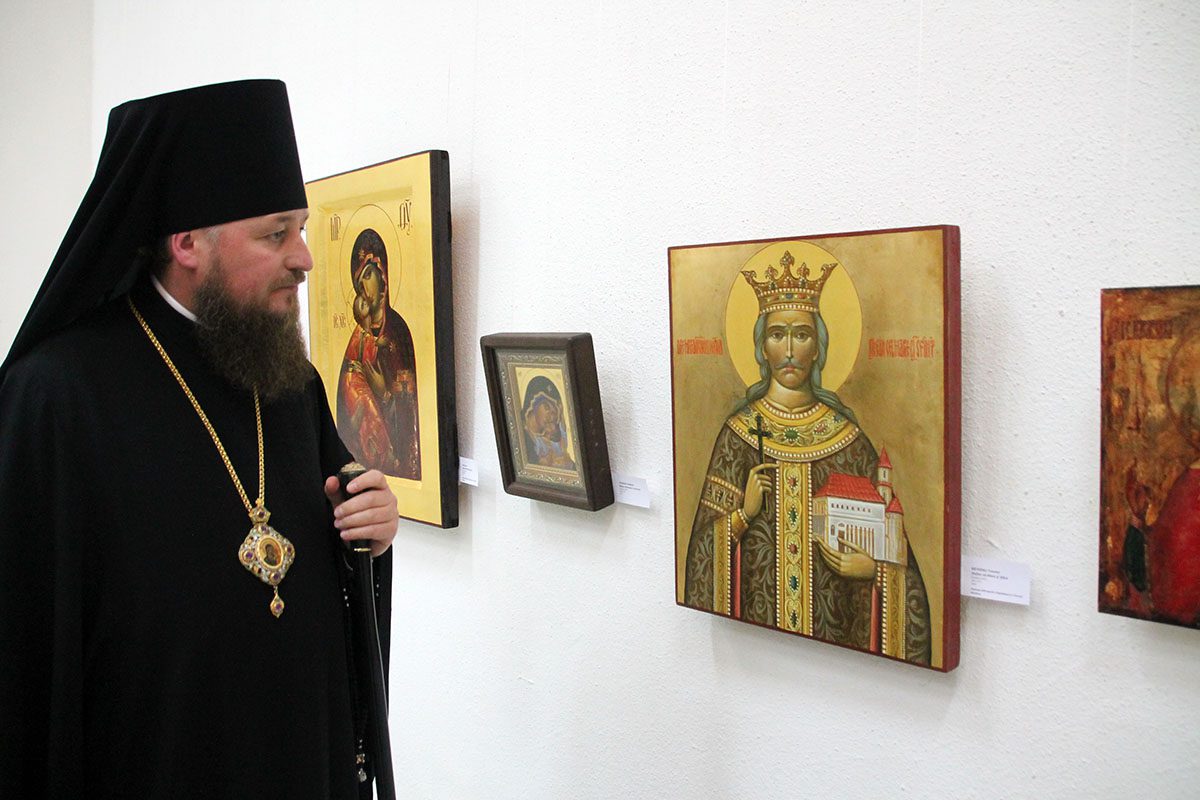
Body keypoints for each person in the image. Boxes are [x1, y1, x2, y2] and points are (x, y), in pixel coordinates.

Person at [0, 80, 400, 798]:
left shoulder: (291, 381)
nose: (304, 257)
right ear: (186, 243)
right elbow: (26, 647)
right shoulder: (57, 394)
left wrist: (372, 528)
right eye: (275, 234)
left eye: (301, 229)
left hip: (297, 761)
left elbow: (333, 553)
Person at [682, 251, 931, 664]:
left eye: (801, 335)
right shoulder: (738, 436)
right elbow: (700, 561)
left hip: (838, 662)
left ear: (818, 347)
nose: (789, 350)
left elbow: (903, 566)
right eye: (777, 334)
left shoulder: (850, 442)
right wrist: (742, 515)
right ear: (762, 347)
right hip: (752, 650)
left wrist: (874, 571)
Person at [337, 227, 421, 479]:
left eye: (369, 275)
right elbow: (346, 420)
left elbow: (412, 411)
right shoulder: (356, 340)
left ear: (384, 273)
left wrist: (385, 394)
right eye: (360, 281)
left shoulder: (398, 332)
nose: (363, 287)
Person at [520, 376, 575, 470]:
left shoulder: (556, 435)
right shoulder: (523, 438)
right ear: (533, 407)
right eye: (547, 407)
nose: (552, 416)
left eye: (554, 412)